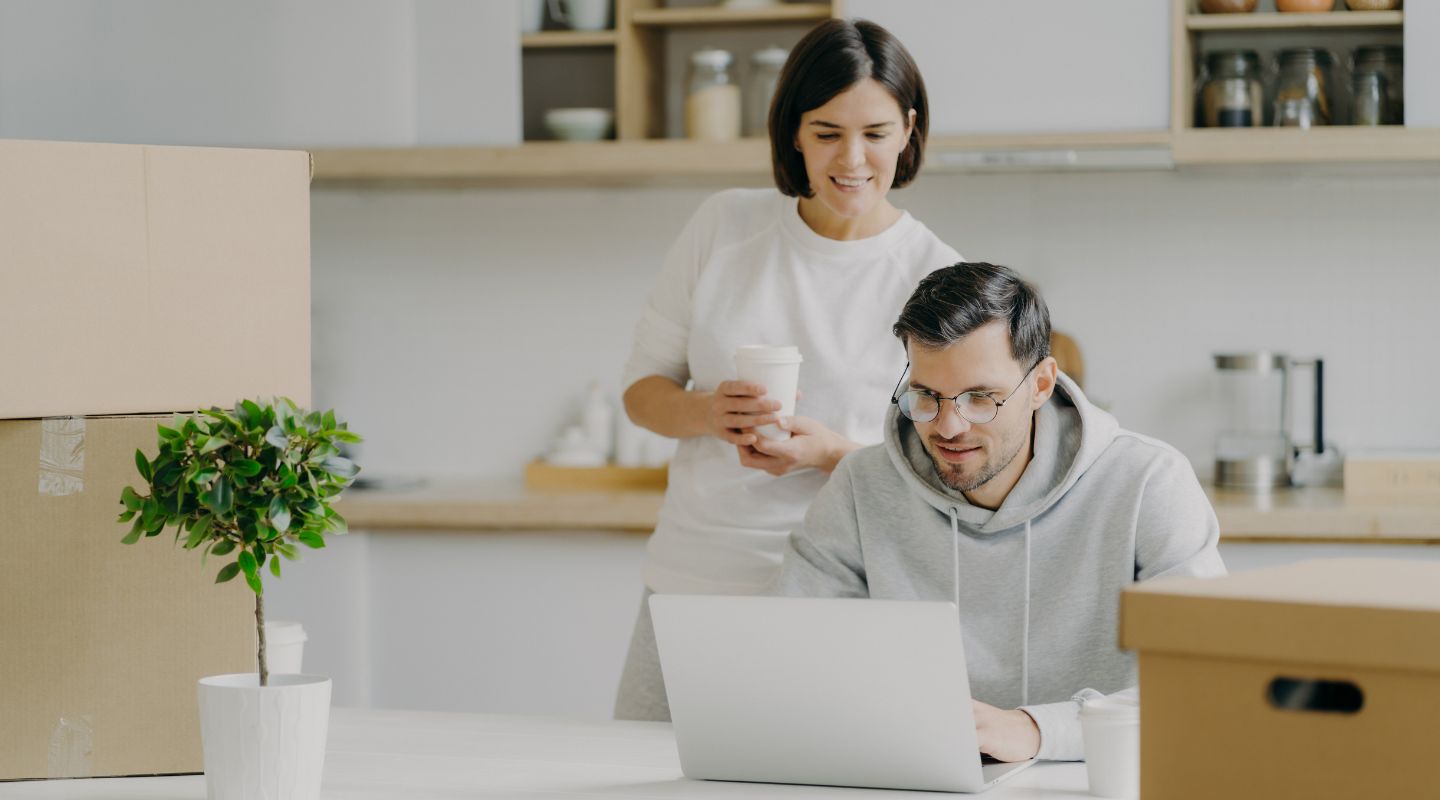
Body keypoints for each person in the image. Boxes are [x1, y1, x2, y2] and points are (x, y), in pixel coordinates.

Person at [614, 18, 961, 722]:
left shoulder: (938, 277)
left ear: (909, 130)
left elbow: (956, 467)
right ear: (793, 133)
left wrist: (835, 454)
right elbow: (643, 392)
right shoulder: (724, 226)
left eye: (875, 133)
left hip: (845, 593)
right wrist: (709, 412)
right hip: (694, 582)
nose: (853, 159)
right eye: (827, 132)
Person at [772, 262, 1227, 762]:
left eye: (980, 398)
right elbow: (797, 661)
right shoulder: (861, 486)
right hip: (916, 777)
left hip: (1088, 780)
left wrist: (1035, 729)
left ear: (1041, 384)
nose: (948, 426)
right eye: (926, 396)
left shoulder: (1148, 482)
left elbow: (1203, 681)